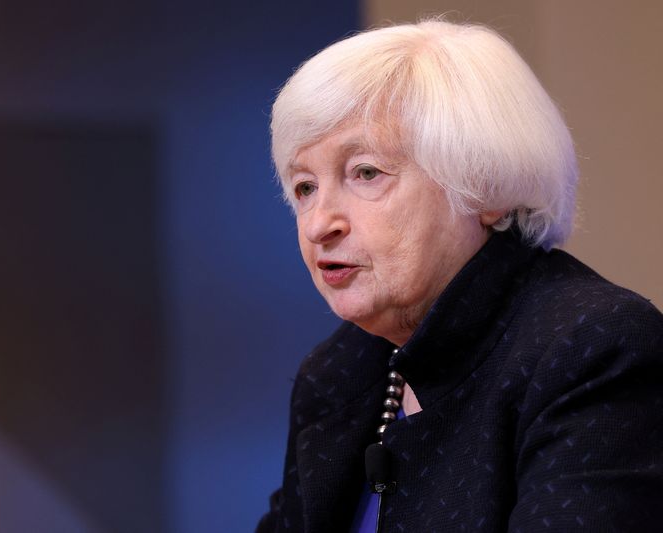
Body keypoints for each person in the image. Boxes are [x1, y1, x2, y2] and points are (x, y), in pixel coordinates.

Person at [257, 19, 663, 533]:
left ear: (484, 186)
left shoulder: (594, 348)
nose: (318, 224)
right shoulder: (337, 371)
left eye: (365, 173)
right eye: (305, 187)